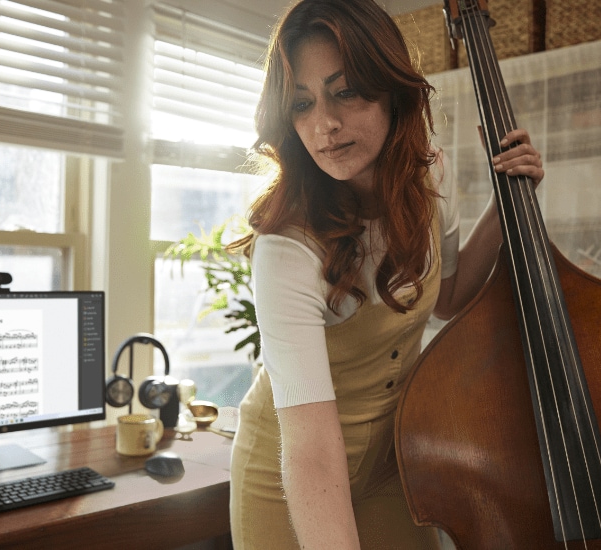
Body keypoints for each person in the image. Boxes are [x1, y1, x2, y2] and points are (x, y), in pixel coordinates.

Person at [227, 0, 546, 548]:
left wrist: (509, 203)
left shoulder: (430, 179)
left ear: (392, 88)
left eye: (345, 90)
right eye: (302, 103)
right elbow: (311, 447)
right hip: (288, 476)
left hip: (391, 463)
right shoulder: (287, 249)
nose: (324, 123)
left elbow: (446, 298)